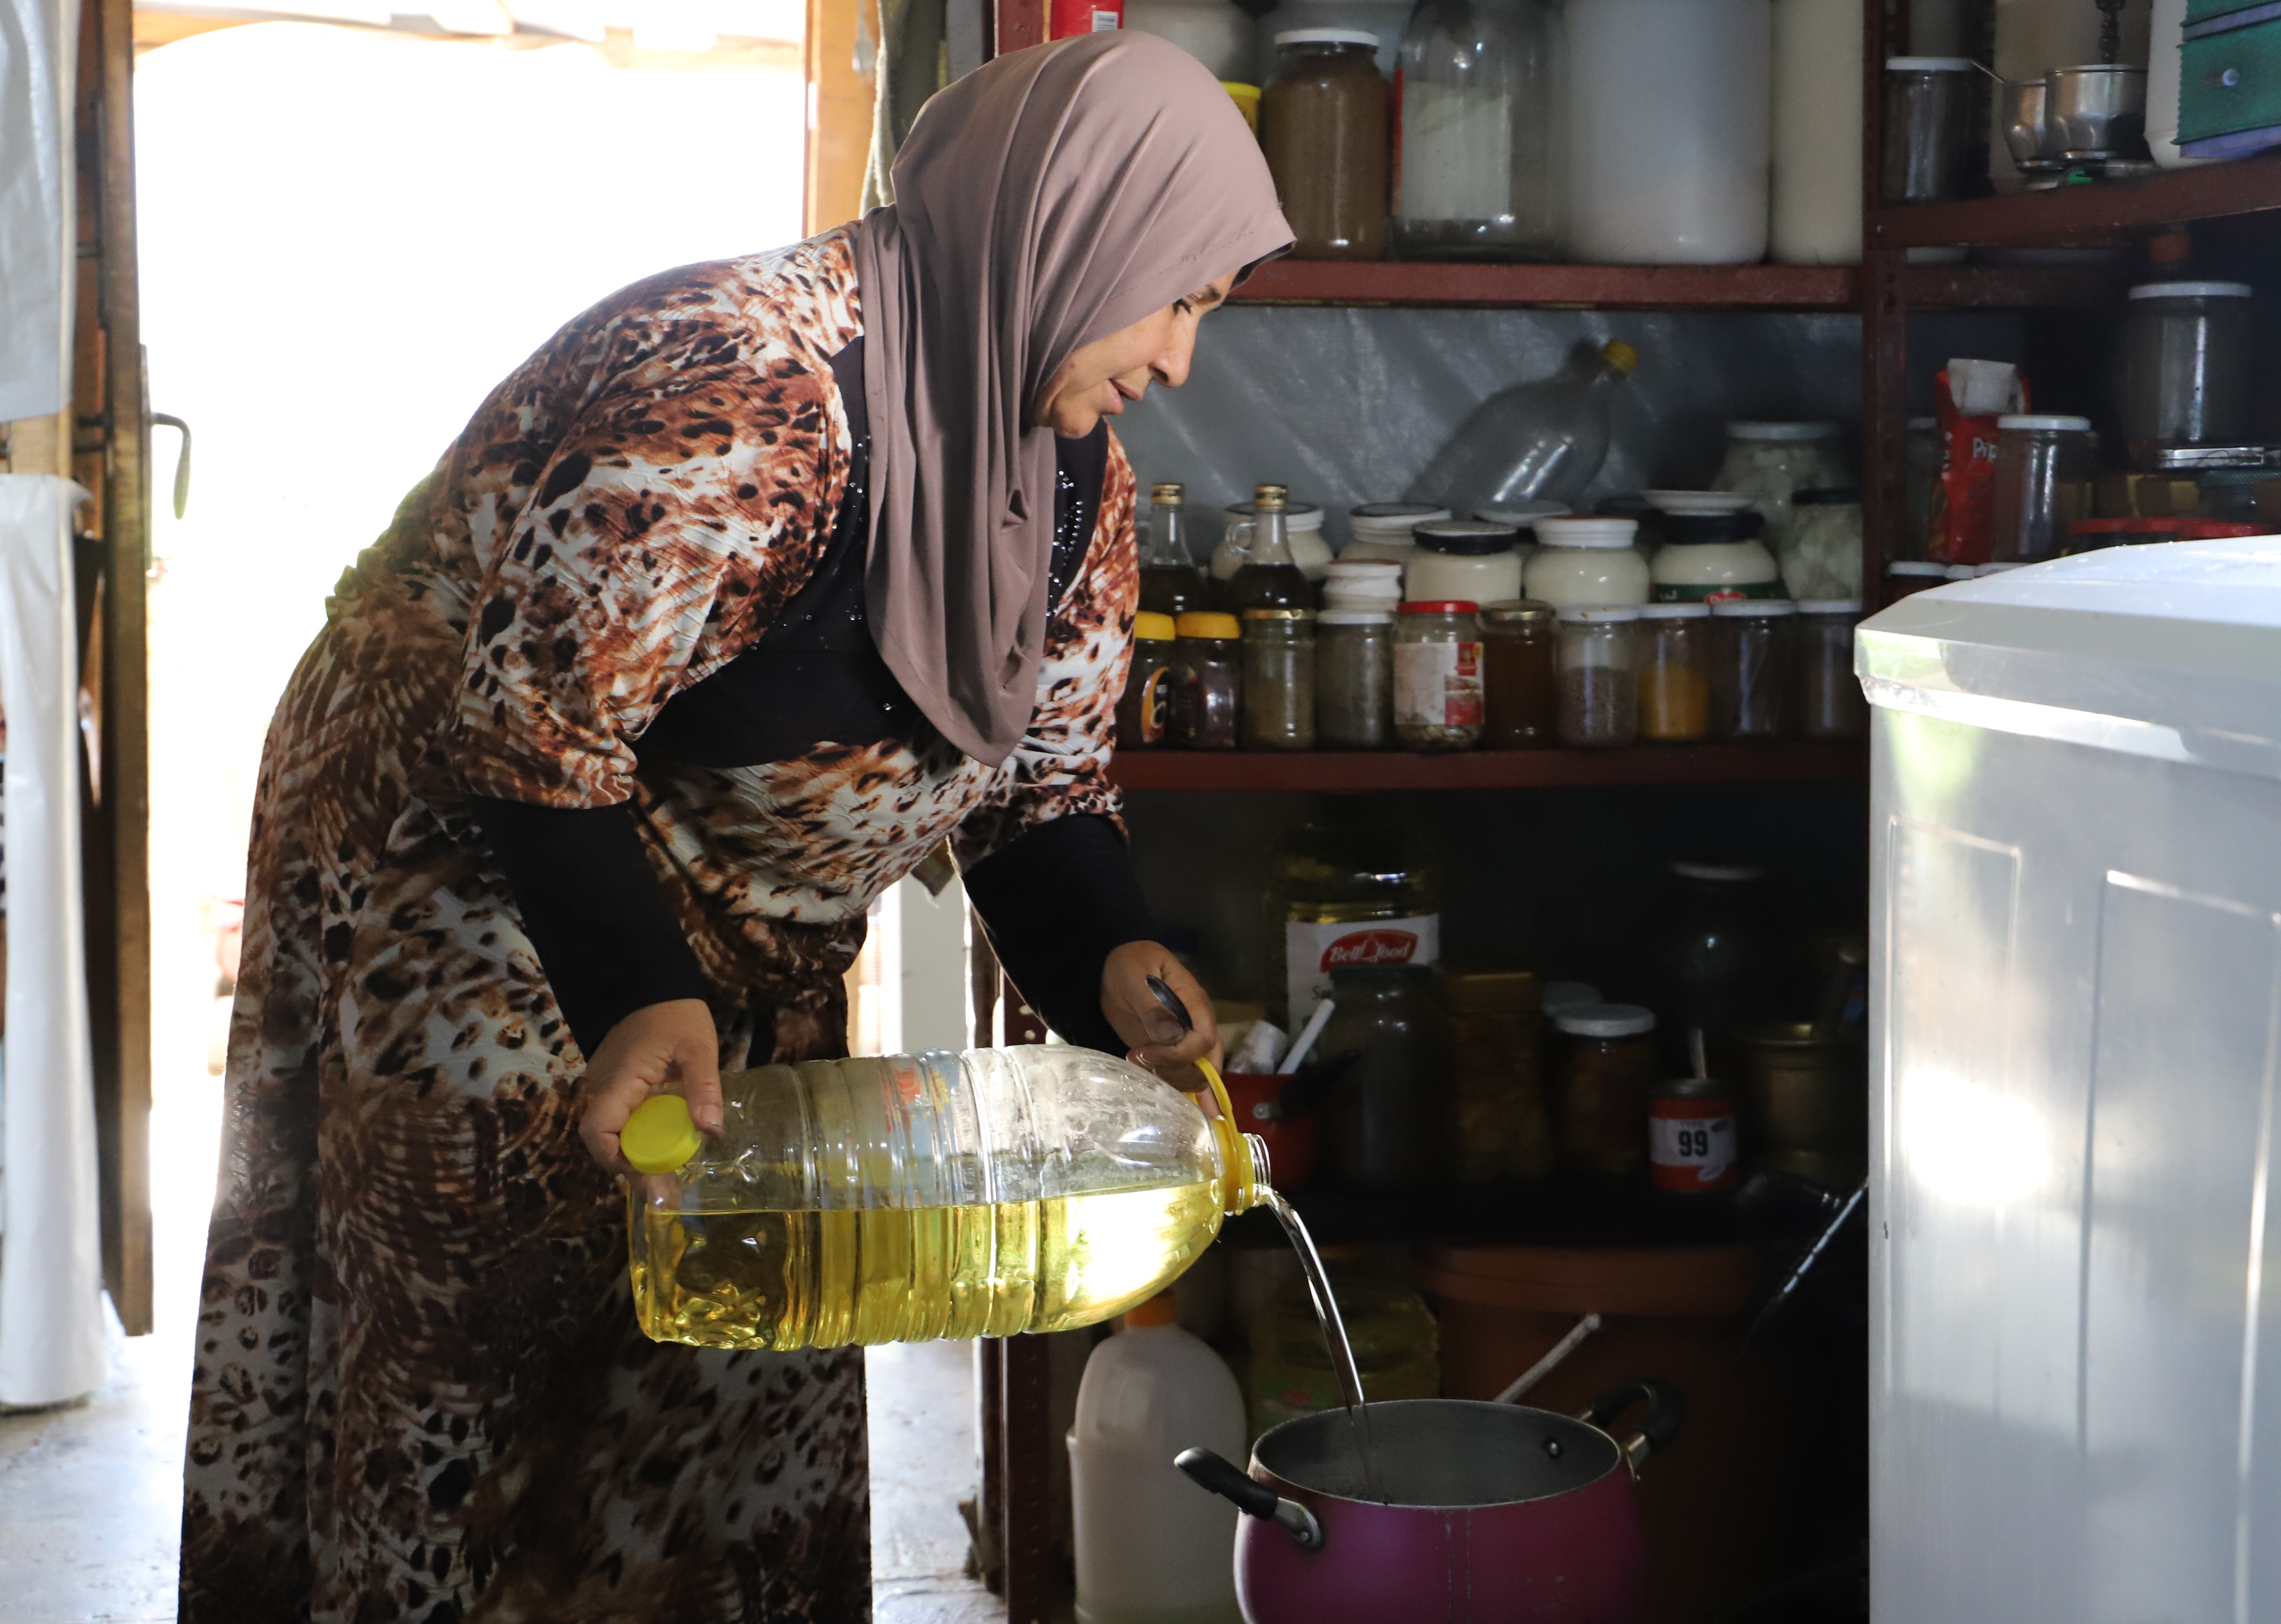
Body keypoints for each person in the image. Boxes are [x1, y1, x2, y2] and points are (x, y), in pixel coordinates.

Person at [179, 31, 1291, 1622]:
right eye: (1176, 295)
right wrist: (638, 986)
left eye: (1208, 312)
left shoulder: (1067, 481)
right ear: (1072, 229)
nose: (1182, 357)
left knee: (739, 1347)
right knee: (494, 1376)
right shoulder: (749, 384)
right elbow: (532, 733)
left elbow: (1045, 793)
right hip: (476, 889)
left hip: (732, 930)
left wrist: (1110, 954)